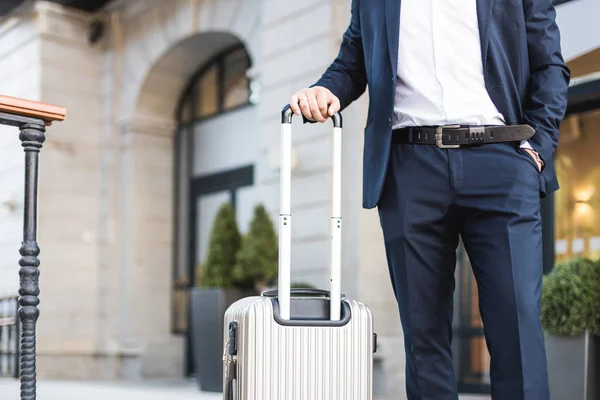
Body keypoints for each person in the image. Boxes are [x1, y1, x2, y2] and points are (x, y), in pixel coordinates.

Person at [290, 0, 570, 399]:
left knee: (517, 329)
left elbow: (550, 66)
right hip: (410, 167)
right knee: (423, 337)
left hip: (501, 161)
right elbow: (353, 60)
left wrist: (537, 148)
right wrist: (325, 89)